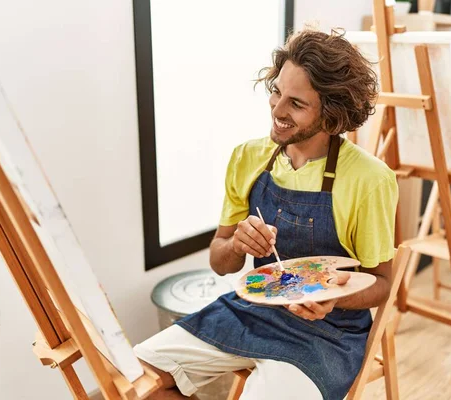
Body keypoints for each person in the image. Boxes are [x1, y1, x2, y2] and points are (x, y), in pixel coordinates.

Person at [134, 28, 398, 400]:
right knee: (133, 380)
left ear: (332, 113)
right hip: (252, 310)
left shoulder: (370, 179)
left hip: (327, 332)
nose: (277, 110)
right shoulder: (248, 157)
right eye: (276, 91)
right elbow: (220, 261)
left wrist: (332, 298)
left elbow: (382, 283)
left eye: (296, 103)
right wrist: (236, 244)